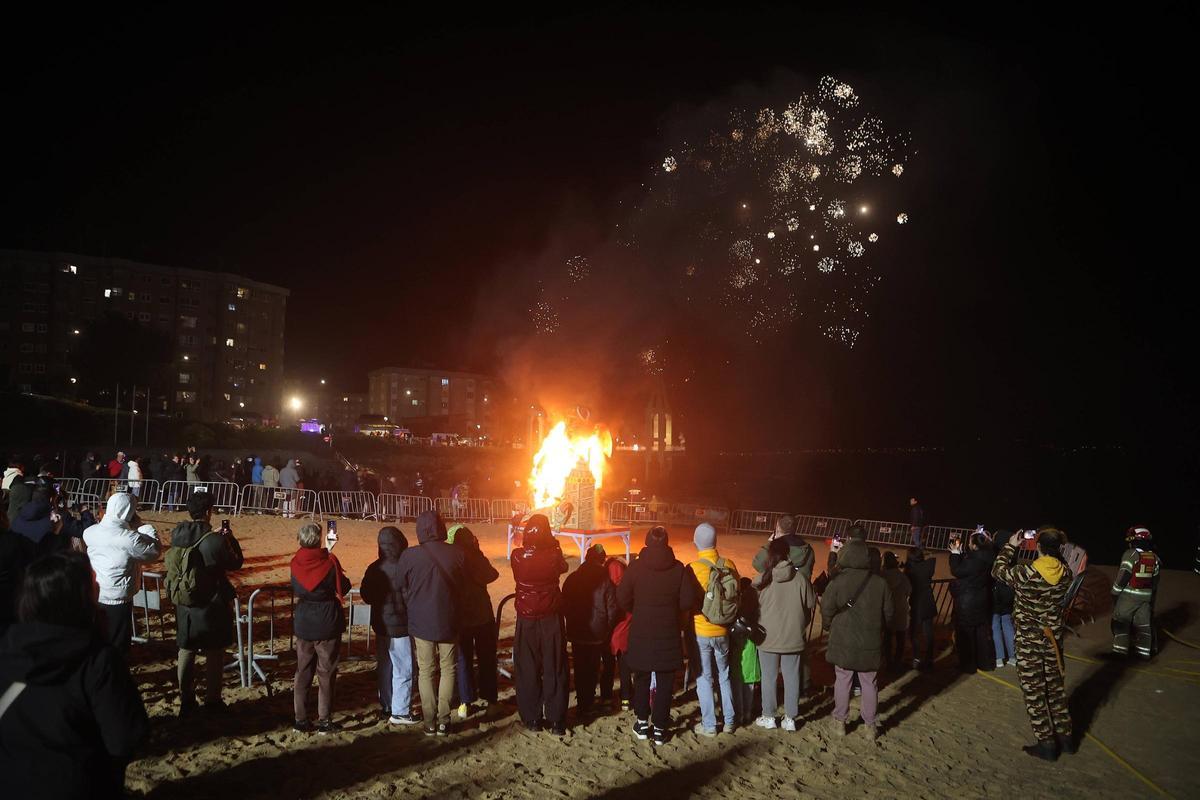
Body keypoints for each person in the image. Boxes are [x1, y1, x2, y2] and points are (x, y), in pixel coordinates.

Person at [0, 552, 149, 798]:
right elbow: (126, 738)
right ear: (78, 599)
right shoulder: (97, 660)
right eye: (92, 582)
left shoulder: (7, 650)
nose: (98, 584)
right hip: (77, 784)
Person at [992, 527, 1074, 761]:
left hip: (1029, 641)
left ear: (1038, 547)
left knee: (1034, 692)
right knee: (1055, 689)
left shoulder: (1026, 572)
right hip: (1053, 640)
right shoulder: (1066, 573)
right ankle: (1066, 738)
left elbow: (997, 570)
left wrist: (1011, 545)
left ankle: (1047, 743)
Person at [616, 525, 702, 746]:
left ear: (647, 541)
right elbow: (686, 601)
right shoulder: (678, 569)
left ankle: (642, 723)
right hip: (668, 633)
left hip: (642, 632)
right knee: (665, 682)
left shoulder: (636, 568)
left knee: (642, 679)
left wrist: (637, 609)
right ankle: (660, 729)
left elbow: (622, 597)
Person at [168, 492, 244, 716]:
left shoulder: (178, 535)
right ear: (209, 511)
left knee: (186, 648)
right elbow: (235, 562)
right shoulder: (214, 540)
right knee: (214, 650)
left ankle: (186, 698)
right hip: (211, 602)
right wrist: (229, 539)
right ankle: (212, 699)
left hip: (184, 599)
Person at [398, 510, 464, 736]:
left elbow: (400, 584)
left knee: (426, 671)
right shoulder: (457, 553)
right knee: (448, 668)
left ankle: (429, 721)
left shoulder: (409, 556)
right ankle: (444, 720)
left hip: (421, 621)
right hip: (449, 619)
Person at [822, 537, 893, 740]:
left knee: (843, 679)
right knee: (869, 682)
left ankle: (840, 722)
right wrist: (880, 629)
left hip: (843, 639)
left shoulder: (838, 581)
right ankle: (870, 726)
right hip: (870, 640)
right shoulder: (880, 583)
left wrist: (828, 625)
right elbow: (889, 612)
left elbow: (826, 607)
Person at [510, 513, 570, 734]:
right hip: (550, 617)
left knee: (527, 667)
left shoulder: (517, 556)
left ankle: (532, 718)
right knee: (555, 666)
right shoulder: (554, 555)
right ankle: (556, 720)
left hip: (526, 618)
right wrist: (554, 544)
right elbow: (563, 567)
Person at [290, 522, 351, 734]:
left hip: (305, 621)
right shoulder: (329, 563)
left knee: (303, 671)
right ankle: (324, 720)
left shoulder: (295, 563)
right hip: (326, 622)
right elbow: (344, 586)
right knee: (326, 672)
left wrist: (327, 552)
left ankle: (300, 719)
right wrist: (329, 553)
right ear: (318, 540)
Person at [82, 493, 161, 655]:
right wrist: (144, 527)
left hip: (97, 593)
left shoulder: (90, 532)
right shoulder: (129, 538)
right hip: (118, 598)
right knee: (118, 643)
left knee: (101, 638)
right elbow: (153, 552)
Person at [754, 537, 816, 732]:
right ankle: (790, 718)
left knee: (768, 677)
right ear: (788, 554)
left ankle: (769, 716)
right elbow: (811, 604)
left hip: (768, 638)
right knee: (792, 677)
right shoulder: (801, 579)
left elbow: (752, 605)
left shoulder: (763, 579)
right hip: (793, 637)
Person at [360, 526, 419, 724]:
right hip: (401, 626)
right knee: (403, 668)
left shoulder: (374, 568)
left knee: (385, 667)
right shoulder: (405, 568)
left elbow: (366, 595)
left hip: (382, 625)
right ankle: (400, 710)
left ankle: (387, 705)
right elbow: (411, 597)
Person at [688, 522, 740, 736]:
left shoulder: (693, 568)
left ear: (696, 542)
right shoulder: (729, 564)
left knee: (704, 678)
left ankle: (709, 725)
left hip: (701, 631)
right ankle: (729, 721)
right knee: (724, 676)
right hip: (723, 631)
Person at [562, 543, 619, 719]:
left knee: (580, 668)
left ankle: (583, 703)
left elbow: (564, 604)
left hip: (577, 632)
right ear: (601, 560)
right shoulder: (606, 581)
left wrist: (572, 621)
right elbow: (612, 609)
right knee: (592, 668)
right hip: (597, 633)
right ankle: (589, 702)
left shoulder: (572, 578)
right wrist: (607, 629)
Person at [449, 524, 500, 718]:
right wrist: (478, 553)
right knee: (487, 659)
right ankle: (491, 701)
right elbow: (492, 574)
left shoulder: (451, 559)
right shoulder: (476, 557)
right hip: (482, 616)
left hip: (461, 617)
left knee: (464, 659)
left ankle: (465, 701)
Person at [1110, 526, 1161, 659]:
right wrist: (1150, 599)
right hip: (1146, 598)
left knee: (1121, 621)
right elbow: (1155, 581)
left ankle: (1120, 652)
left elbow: (1124, 575)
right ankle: (1143, 653)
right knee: (1143, 625)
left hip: (1129, 596)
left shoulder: (1131, 555)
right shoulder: (1155, 558)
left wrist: (1114, 592)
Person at [949, 531, 995, 673]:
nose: (968, 544)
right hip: (982, 598)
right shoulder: (988, 557)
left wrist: (955, 554)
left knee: (966, 634)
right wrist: (961, 554)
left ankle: (968, 665)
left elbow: (957, 571)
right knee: (980, 633)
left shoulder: (974, 560)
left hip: (968, 601)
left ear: (974, 545)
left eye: (970, 542)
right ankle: (984, 663)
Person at [605, 555, 634, 710]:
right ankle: (626, 698)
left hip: (609, 636)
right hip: (625, 636)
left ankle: (607, 698)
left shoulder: (606, 591)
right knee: (625, 669)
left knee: (608, 669)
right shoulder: (629, 591)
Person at [905, 548, 936, 670]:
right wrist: (925, 554)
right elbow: (932, 557)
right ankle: (929, 658)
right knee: (929, 633)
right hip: (928, 602)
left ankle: (917, 658)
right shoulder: (928, 566)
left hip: (917, 604)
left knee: (914, 633)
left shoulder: (910, 570)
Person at [881, 552, 911, 670]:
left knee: (887, 637)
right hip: (901, 608)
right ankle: (897, 661)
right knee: (900, 638)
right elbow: (909, 590)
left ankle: (888, 661)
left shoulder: (881, 576)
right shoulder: (902, 577)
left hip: (886, 609)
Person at [991, 533, 1017, 668]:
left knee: (995, 623)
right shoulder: (1013, 553)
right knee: (1007, 622)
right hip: (1009, 592)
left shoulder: (997, 555)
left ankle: (999, 657)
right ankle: (1013, 656)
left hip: (996, 592)